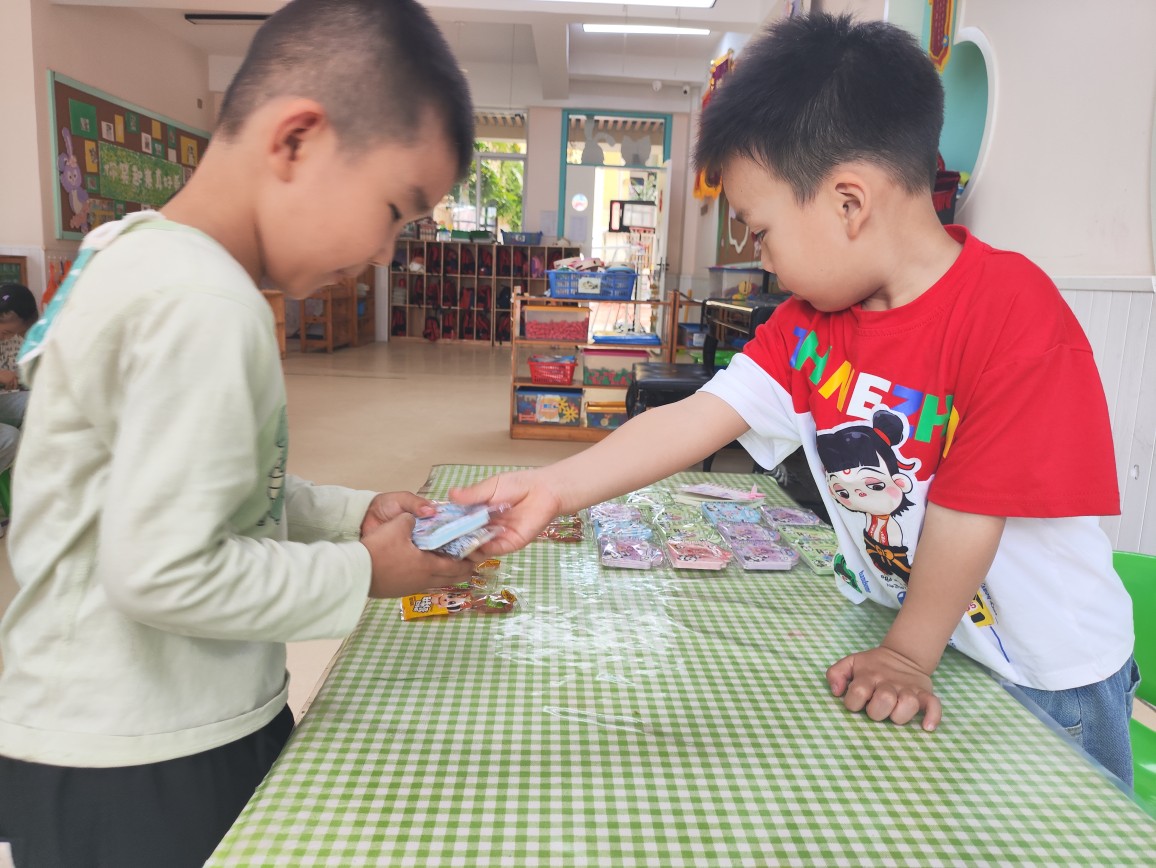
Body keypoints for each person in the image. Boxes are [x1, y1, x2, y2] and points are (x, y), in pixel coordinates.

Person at [455, 14, 1137, 786]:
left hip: (1046, 678)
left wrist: (907, 653)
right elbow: (694, 417)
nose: (763, 258)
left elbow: (969, 509)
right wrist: (553, 487)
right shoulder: (810, 327)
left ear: (849, 203)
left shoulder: (1011, 311)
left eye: (761, 230)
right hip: (936, 648)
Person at [0, 1, 476, 865]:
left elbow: (211, 489)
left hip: (115, 728)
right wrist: (364, 572)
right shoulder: (204, 302)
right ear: (296, 140)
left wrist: (352, 513)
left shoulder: (130, 250)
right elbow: (166, 570)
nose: (385, 251)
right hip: (142, 753)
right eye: (394, 209)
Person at [0, 283, 38, 481]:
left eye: (12, 333)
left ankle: (27, 474)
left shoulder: (14, 340)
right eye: (6, 332)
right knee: (10, 438)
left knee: (38, 401)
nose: (5, 338)